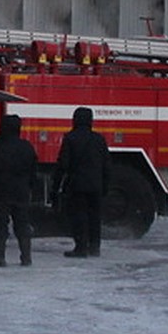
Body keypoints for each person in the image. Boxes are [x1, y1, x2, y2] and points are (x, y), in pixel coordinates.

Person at [54, 105, 111, 258]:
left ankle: (81, 247)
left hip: (77, 184)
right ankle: (95, 246)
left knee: (79, 216)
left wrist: (57, 185)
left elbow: (63, 164)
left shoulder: (70, 138)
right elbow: (106, 164)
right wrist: (105, 185)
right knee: (95, 216)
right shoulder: (99, 139)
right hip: (96, 185)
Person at [0, 113, 37, 267]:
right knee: (22, 224)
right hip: (21, 191)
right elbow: (33, 171)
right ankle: (26, 257)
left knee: (0, 224)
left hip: (1, 191)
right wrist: (30, 187)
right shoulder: (27, 147)